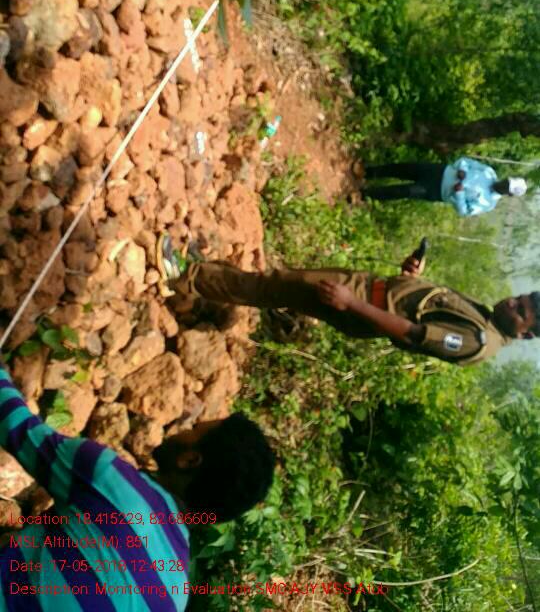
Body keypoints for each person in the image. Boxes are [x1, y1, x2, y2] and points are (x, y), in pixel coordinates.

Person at [0, 360, 274, 609]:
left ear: (189, 460)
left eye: (193, 430)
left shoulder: (108, 478)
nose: (183, 429)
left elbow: (14, 425)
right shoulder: (175, 599)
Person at [157, 234, 540, 368]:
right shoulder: (487, 318)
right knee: (277, 282)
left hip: (357, 303)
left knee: (271, 289)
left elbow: (412, 333)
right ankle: (206, 273)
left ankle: (186, 277)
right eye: (519, 298)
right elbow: (425, 309)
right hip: (364, 289)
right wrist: (412, 280)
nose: (512, 303)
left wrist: (350, 303)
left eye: (520, 311)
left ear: (525, 334)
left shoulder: (479, 341)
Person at [352, 158, 527, 216]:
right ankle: (367, 172)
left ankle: (364, 195)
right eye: (507, 181)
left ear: (509, 194)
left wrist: (459, 195)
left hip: (437, 191)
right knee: (403, 168)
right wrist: (463, 170)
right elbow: (465, 161)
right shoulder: (488, 172)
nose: (504, 184)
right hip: (439, 171)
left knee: (403, 191)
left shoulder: (488, 203)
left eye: (507, 187)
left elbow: (464, 211)